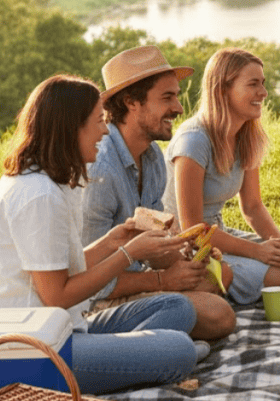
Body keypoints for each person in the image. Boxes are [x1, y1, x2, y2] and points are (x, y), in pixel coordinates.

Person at [0, 75, 201, 395]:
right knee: (180, 350)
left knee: (178, 308)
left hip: (65, 326)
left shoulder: (53, 182)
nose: (105, 131)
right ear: (71, 127)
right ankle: (138, 361)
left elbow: (62, 270)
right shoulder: (38, 195)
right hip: (31, 349)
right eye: (99, 121)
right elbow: (57, 295)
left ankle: (125, 361)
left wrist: (113, 241)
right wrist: (129, 254)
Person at [82, 45, 235, 340]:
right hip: (92, 303)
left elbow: (151, 243)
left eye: (176, 96)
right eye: (168, 97)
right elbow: (89, 279)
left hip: (136, 278)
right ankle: (145, 345)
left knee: (220, 275)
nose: (179, 108)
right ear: (131, 102)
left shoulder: (152, 158)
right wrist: (162, 281)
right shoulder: (100, 172)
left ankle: (161, 337)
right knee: (219, 315)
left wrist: (185, 256)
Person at [163, 48, 280, 306]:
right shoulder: (194, 141)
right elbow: (192, 230)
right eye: (253, 84)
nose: (263, 93)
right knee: (279, 278)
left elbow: (252, 206)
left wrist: (279, 243)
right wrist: (259, 251)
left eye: (263, 84)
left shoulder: (246, 135)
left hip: (219, 234)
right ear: (222, 90)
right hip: (187, 246)